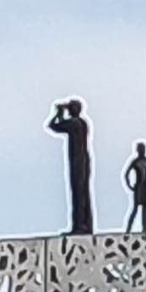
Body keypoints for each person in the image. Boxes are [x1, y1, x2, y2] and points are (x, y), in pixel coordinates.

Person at [48, 99, 94, 235]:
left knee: (78, 193)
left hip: (77, 160)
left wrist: (58, 114)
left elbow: (53, 126)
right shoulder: (83, 123)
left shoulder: (74, 123)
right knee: (84, 193)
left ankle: (79, 226)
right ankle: (86, 224)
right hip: (84, 159)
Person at [124, 141, 146, 233]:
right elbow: (126, 174)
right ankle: (128, 230)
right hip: (139, 187)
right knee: (135, 209)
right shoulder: (136, 162)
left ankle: (144, 230)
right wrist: (130, 186)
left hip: (145, 188)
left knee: (144, 211)